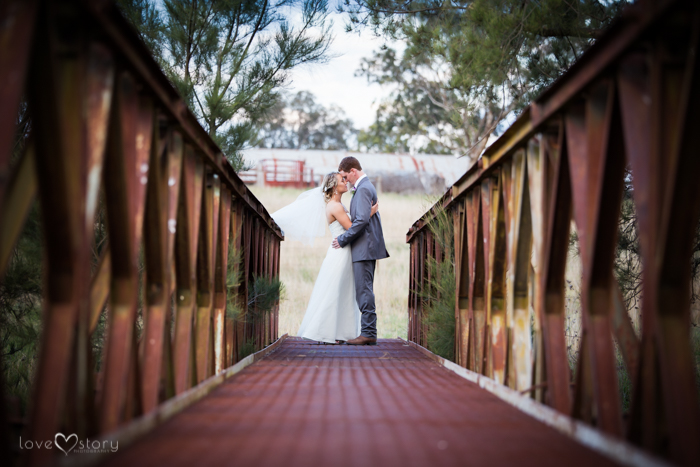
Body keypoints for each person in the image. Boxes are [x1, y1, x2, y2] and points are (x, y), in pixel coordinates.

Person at [270, 172, 379, 344]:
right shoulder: (335, 206)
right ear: (334, 187)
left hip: (344, 250)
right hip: (340, 253)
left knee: (343, 291)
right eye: (342, 180)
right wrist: (370, 214)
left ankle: (339, 333)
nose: (345, 181)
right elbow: (352, 228)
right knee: (333, 291)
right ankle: (322, 332)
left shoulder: (338, 204)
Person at [332, 156, 389, 345]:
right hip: (363, 246)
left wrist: (342, 239)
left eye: (345, 176)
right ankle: (368, 332)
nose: (345, 180)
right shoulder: (364, 188)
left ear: (353, 171)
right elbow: (364, 217)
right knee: (363, 289)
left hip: (364, 247)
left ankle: (368, 333)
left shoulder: (363, 189)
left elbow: (362, 221)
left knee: (364, 290)